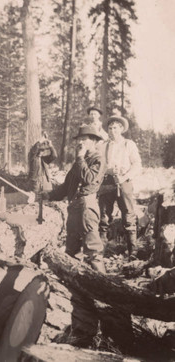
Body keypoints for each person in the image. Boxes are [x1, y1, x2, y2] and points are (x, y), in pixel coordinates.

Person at [39, 125, 106, 273]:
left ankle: (106, 287)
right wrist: (49, 195)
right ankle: (74, 286)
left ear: (94, 141)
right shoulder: (79, 161)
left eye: (85, 139)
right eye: (79, 139)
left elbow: (88, 179)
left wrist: (80, 157)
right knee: (71, 250)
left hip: (86, 206)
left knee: (93, 251)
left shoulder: (98, 159)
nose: (80, 143)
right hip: (74, 206)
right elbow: (67, 185)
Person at [98, 109, 142, 256]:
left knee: (128, 215)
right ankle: (100, 251)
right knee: (103, 216)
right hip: (106, 182)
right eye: (110, 128)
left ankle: (133, 251)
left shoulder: (128, 144)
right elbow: (98, 165)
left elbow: (137, 165)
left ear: (121, 129)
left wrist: (124, 176)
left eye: (115, 128)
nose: (112, 131)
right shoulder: (103, 145)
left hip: (124, 181)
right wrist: (106, 171)